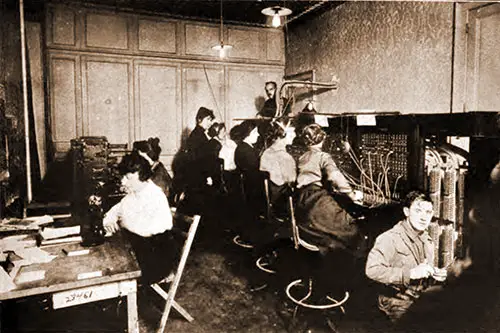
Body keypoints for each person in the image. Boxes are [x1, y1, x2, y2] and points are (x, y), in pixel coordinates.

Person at [365, 190, 447, 322]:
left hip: (419, 297)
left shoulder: (427, 240)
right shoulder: (389, 238)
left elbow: (423, 270)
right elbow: (372, 270)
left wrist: (435, 274)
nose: (423, 217)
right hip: (395, 301)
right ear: (406, 212)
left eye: (428, 212)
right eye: (418, 211)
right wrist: (410, 274)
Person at [103, 152, 177, 285]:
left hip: (155, 258)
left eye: (127, 177)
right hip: (138, 250)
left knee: (109, 265)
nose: (123, 181)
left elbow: (146, 231)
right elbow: (115, 210)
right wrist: (110, 219)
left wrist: (122, 223)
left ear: (140, 175)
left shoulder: (155, 196)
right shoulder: (134, 194)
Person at [295, 123, 362, 250]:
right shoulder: (323, 156)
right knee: (353, 229)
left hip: (303, 202)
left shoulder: (302, 157)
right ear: (322, 139)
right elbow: (334, 176)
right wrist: (352, 195)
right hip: (317, 201)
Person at [259, 117, 297, 218]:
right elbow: (293, 182)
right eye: (292, 131)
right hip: (283, 204)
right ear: (283, 133)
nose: (295, 134)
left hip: (271, 200)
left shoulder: (266, 152)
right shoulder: (284, 156)